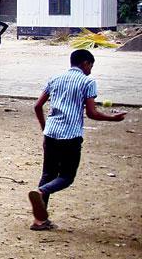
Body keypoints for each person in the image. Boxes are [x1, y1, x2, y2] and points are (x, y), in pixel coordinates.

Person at [27, 49, 126, 231]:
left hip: (51, 133)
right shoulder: (88, 82)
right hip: (71, 135)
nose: (91, 70)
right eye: (91, 66)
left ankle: (39, 220)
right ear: (85, 63)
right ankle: (41, 193)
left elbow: (37, 106)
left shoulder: (55, 78)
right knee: (66, 176)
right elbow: (92, 113)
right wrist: (113, 119)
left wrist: (44, 129)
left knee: (48, 174)